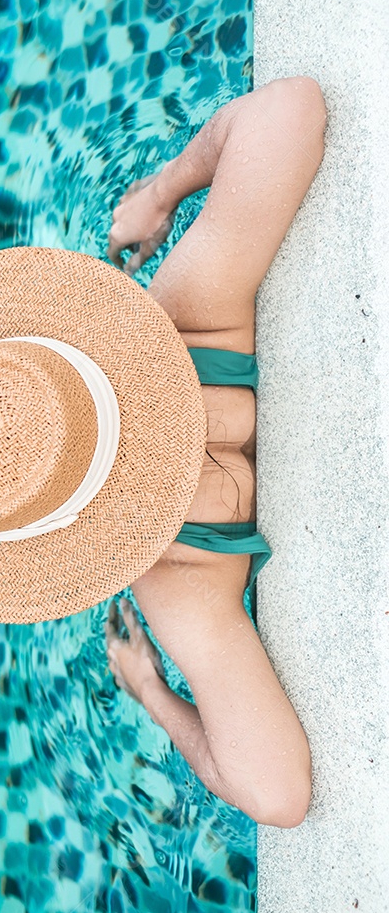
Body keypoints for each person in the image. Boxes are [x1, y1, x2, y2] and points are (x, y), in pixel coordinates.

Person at [104, 75, 328, 828]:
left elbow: (292, 109)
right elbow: (276, 795)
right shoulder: (178, 320)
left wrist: (159, 699)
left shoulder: (175, 577)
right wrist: (165, 192)